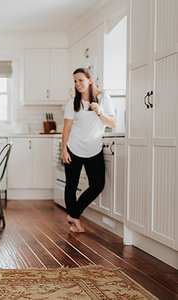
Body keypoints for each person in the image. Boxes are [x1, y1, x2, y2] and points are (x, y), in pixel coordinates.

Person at [62, 68, 116, 233]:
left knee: (97, 185)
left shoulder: (103, 98)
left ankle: (73, 214)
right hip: (74, 148)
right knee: (71, 185)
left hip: (94, 148)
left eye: (81, 80)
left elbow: (112, 123)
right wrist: (64, 149)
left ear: (90, 80)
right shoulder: (72, 103)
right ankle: (75, 220)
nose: (77, 84)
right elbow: (66, 129)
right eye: (75, 81)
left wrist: (99, 111)